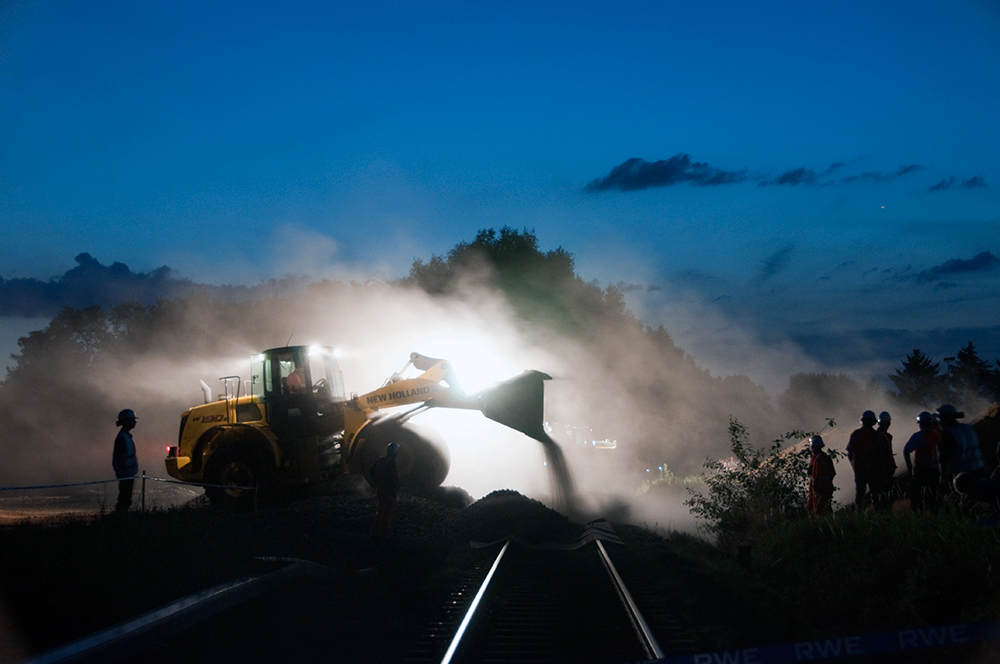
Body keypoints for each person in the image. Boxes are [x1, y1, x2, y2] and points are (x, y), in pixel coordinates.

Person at [846, 410, 884, 511]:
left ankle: (860, 514)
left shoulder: (856, 434)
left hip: (859, 469)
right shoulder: (875, 435)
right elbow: (881, 452)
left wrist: (854, 465)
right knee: (875, 493)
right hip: (873, 469)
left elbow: (849, 452)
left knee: (860, 493)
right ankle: (878, 513)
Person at [903, 411, 941, 511]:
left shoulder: (917, 436)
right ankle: (934, 514)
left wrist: (910, 468)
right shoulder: (937, 435)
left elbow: (906, 450)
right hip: (934, 470)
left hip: (920, 470)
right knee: (933, 494)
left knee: (916, 495)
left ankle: (917, 515)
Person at [370, 442, 400, 539]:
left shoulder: (381, 460)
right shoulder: (391, 462)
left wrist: (376, 482)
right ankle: (385, 533)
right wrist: (394, 491)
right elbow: (392, 478)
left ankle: (376, 531)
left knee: (381, 510)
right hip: (388, 490)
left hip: (380, 489)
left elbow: (371, 470)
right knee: (388, 511)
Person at [112, 409, 139, 515]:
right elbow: (119, 458)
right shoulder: (122, 438)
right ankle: (119, 521)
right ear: (127, 421)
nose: (135, 422)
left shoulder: (125, 437)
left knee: (126, 500)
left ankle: (120, 519)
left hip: (128, 474)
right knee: (124, 500)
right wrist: (123, 472)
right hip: (126, 475)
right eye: (133, 420)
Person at [806, 435, 835, 516]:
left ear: (814, 447)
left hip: (820, 487)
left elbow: (816, 477)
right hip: (827, 486)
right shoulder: (823, 457)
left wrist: (816, 489)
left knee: (819, 508)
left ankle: (822, 524)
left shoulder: (819, 459)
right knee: (825, 506)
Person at [876, 411, 897, 506]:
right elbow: (881, 456)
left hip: (885, 470)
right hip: (883, 471)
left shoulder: (885, 436)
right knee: (884, 495)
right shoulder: (880, 436)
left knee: (885, 494)